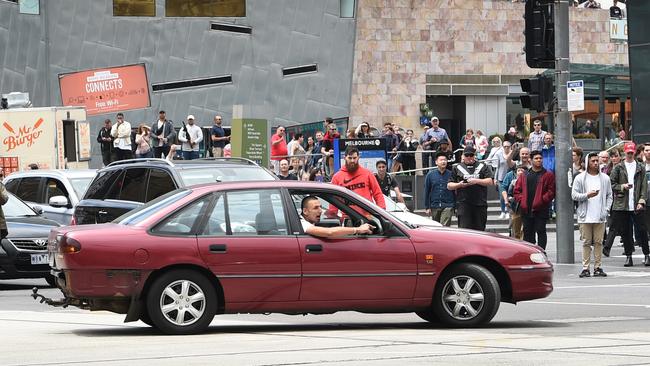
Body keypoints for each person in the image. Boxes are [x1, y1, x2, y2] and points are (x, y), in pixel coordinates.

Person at [572, 152, 613, 278]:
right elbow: (574, 195)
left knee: (599, 242)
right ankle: (585, 268)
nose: (596, 163)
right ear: (587, 162)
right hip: (585, 216)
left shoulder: (605, 178)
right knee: (586, 242)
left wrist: (606, 210)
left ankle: (598, 267)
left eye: (597, 161)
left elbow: (609, 196)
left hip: (600, 216)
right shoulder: (580, 178)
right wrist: (587, 195)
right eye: (593, 161)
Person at [609, 142, 649, 267]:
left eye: (632, 152)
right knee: (626, 232)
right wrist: (622, 186)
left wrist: (642, 201)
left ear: (635, 152)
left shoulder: (640, 167)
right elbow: (612, 183)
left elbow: (644, 186)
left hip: (637, 203)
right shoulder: (618, 167)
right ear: (624, 152)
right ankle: (628, 256)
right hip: (623, 204)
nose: (630, 154)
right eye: (628, 152)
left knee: (642, 230)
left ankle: (646, 254)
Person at [514, 150, 555, 250]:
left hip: (541, 209)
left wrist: (542, 200)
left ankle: (541, 252)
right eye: (536, 158)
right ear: (530, 160)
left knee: (541, 231)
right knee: (528, 233)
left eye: (540, 158)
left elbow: (551, 191)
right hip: (526, 209)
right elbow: (517, 190)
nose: (539, 160)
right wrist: (522, 200)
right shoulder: (524, 175)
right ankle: (530, 253)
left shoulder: (548, 175)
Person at [448, 146, 493, 231]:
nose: (469, 157)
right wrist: (459, 185)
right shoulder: (456, 167)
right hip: (463, 204)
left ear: (474, 155)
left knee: (480, 230)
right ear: (463, 156)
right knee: (464, 230)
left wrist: (476, 181)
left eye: (471, 155)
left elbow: (490, 181)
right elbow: (449, 185)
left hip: (480, 204)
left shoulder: (483, 166)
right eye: (467, 155)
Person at [300, 196, 373, 238]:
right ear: (305, 211)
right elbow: (329, 232)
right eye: (315, 208)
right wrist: (358, 229)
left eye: (320, 207)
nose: (320, 211)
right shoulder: (302, 224)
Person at [424, 152, 455, 226]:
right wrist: (427, 207)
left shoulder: (451, 174)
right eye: (441, 160)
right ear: (436, 162)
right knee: (436, 227)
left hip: (448, 205)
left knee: (444, 226)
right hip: (435, 205)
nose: (443, 161)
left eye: (445, 160)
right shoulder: (430, 175)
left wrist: (455, 206)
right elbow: (427, 191)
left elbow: (455, 191)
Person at [502, 165, 527, 240]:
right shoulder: (513, 182)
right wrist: (511, 200)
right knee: (515, 227)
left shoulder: (527, 181)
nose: (520, 172)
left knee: (524, 228)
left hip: (525, 206)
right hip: (515, 207)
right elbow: (509, 193)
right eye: (518, 170)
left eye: (522, 171)